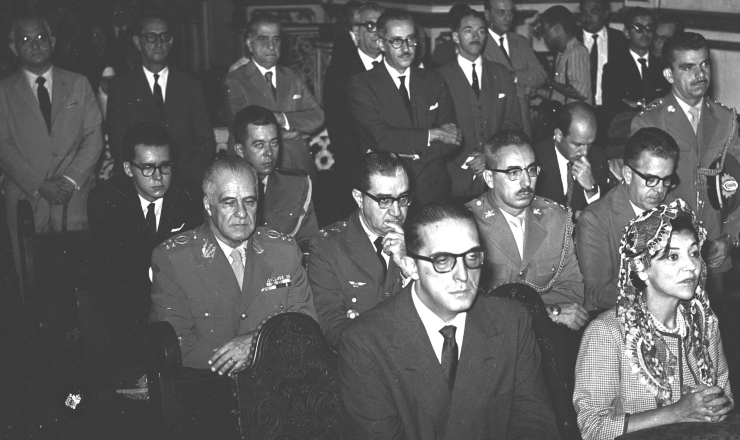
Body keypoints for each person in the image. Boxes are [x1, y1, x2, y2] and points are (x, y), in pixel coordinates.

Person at [338, 200, 559, 439]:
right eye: (443, 261)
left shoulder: (511, 321)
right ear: (411, 266)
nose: (463, 275)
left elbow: (535, 427)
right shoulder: (365, 342)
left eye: (472, 257)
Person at [574, 199, 733, 439]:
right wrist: (677, 412)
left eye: (694, 253)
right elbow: (593, 428)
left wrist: (716, 405)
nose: (690, 266)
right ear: (640, 267)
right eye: (672, 257)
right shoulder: (607, 333)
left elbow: (726, 397)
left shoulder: (705, 324)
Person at [149, 156, 317, 372]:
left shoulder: (283, 251)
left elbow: (306, 325)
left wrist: (256, 343)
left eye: (250, 201)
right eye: (229, 202)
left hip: (278, 381)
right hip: (210, 387)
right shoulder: (174, 259)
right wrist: (238, 359)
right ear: (208, 205)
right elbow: (176, 345)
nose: (241, 213)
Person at [632, 32, 740, 296]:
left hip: (715, 254)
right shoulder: (649, 122)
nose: (700, 74)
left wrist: (730, 237)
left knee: (715, 331)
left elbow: (736, 183)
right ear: (669, 75)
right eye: (688, 67)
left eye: (704, 64)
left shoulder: (727, 120)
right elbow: (640, 199)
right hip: (668, 257)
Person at [0, 15, 103, 282]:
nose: (35, 44)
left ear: (53, 42)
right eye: (25, 40)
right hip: (26, 199)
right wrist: (39, 184)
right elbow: (2, 146)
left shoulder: (79, 84)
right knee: (34, 283)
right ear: (13, 48)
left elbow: (94, 137)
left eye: (40, 38)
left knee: (80, 280)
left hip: (74, 197)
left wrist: (70, 180)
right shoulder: (3, 92)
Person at [467, 129, 588, 330]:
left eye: (531, 170)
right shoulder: (467, 224)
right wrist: (547, 312)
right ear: (489, 178)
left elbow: (572, 291)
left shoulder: (556, 218)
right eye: (513, 173)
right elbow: (469, 305)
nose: (526, 183)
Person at [348, 10, 461, 206]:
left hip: (433, 189)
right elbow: (382, 137)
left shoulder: (433, 80)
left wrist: (414, 155)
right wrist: (432, 134)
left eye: (411, 39)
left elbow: (452, 137)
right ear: (380, 43)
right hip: (389, 194)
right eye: (397, 41)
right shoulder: (361, 84)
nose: (406, 48)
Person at [88, 122, 203, 307]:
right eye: (148, 168)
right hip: (126, 304)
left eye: (165, 166)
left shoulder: (189, 196)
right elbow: (107, 274)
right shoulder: (105, 201)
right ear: (128, 169)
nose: (158, 177)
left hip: (178, 300)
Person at [309, 152, 410, 347]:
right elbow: (331, 324)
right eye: (384, 201)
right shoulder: (328, 246)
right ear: (359, 198)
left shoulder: (423, 240)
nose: (397, 212)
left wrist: (408, 267)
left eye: (403, 198)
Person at [575, 127, 678, 311]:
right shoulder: (595, 220)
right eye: (651, 179)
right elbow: (598, 293)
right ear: (628, 175)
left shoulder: (674, 209)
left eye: (666, 180)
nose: (660, 190)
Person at [107, 12, 215, 182]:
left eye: (164, 37)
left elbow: (205, 143)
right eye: (151, 37)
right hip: (140, 183)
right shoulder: (121, 88)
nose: (158, 43)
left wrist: (181, 180)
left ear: (170, 42)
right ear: (137, 42)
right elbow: (119, 145)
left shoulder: (191, 86)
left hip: (184, 182)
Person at [223, 12, 324, 176]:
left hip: (296, 167)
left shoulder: (292, 76)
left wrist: (282, 118)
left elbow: (318, 116)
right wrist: (285, 134)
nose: (271, 46)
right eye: (263, 39)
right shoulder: (235, 80)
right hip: (254, 170)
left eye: (276, 39)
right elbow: (239, 126)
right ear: (249, 43)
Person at [438, 9, 521, 199]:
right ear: (455, 36)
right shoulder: (439, 77)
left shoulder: (501, 74)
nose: (476, 36)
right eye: (468, 30)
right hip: (454, 177)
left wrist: (490, 157)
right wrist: (466, 160)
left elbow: (512, 123)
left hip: (496, 175)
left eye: (481, 31)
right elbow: (437, 127)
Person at [323, 2, 385, 218]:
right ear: (355, 32)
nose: (377, 32)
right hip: (357, 169)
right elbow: (338, 127)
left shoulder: (394, 66)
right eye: (370, 25)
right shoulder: (340, 72)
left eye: (381, 25)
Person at [232, 105, 318, 254]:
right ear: (240, 150)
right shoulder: (222, 191)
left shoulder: (296, 185)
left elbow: (308, 239)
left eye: (274, 143)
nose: (269, 153)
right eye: (259, 145)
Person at [483, 0, 547, 138]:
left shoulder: (521, 41)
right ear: (487, 15)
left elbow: (540, 75)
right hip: (496, 122)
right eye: (501, 12)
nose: (507, 17)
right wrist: (522, 87)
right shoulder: (480, 43)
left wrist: (514, 77)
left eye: (510, 12)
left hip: (524, 122)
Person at [533, 102, 607, 216]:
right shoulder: (535, 158)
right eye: (578, 144)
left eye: (590, 144)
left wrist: (591, 190)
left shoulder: (598, 158)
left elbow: (604, 216)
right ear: (558, 135)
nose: (585, 152)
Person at [602, 7, 670, 119]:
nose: (645, 33)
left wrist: (638, 103)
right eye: (638, 28)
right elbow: (613, 106)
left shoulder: (662, 65)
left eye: (649, 28)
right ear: (627, 33)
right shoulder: (614, 68)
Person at [537, 5, 592, 106]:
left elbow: (580, 92)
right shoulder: (561, 54)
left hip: (578, 119)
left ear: (557, 28)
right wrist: (536, 91)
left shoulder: (577, 51)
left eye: (545, 30)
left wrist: (551, 82)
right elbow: (557, 97)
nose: (544, 35)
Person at [427, 3, 472, 70]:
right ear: (451, 25)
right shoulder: (441, 52)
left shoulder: (481, 48)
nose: (462, 25)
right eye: (457, 22)